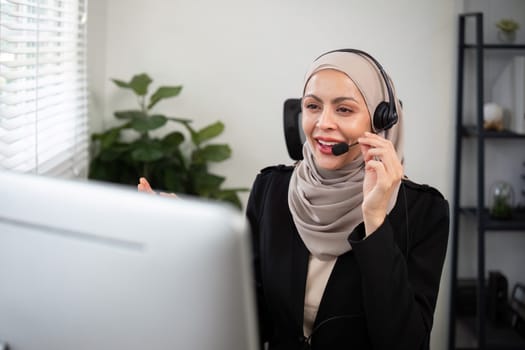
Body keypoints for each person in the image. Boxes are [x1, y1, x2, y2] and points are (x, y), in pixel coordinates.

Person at [139, 49, 449, 350]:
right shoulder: (271, 189)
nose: (323, 123)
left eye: (344, 109)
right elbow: (249, 316)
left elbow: (405, 342)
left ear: (382, 121)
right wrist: (189, 240)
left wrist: (376, 220)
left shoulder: (424, 211)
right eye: (313, 106)